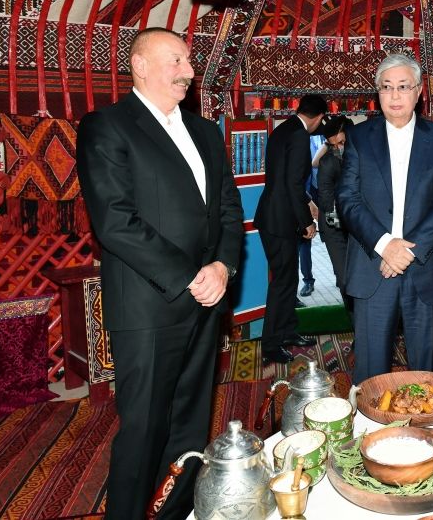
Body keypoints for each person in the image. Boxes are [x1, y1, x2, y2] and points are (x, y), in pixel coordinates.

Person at [76, 28, 244, 519]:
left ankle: (175, 512)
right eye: (176, 61)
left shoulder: (206, 132)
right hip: (150, 305)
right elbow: (114, 221)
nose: (188, 72)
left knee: (192, 423)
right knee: (145, 428)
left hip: (207, 299)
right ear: (140, 65)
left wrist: (222, 265)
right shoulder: (107, 126)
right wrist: (192, 274)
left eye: (189, 62)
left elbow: (229, 211)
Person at [337, 54, 433, 384]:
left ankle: (428, 434)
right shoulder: (359, 138)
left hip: (427, 268)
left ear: (419, 92)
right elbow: (348, 199)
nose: (395, 96)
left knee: (427, 376)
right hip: (373, 268)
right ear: (377, 92)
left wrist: (405, 251)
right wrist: (384, 245)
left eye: (403, 87)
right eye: (387, 87)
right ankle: (372, 432)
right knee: (370, 376)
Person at [256, 94, 327, 364]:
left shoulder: (283, 128)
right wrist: (307, 223)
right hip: (281, 219)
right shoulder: (299, 135)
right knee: (282, 284)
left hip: (273, 215)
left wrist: (307, 202)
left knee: (289, 280)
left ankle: (287, 331)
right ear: (319, 117)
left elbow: (283, 178)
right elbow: (294, 184)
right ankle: (272, 345)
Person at [316, 115, 354, 310]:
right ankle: (359, 333)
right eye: (333, 145)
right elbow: (325, 196)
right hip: (335, 229)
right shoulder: (328, 162)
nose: (339, 148)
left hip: (359, 228)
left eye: (342, 142)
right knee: (345, 280)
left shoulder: (364, 157)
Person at [298, 131, 325, 300]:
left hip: (324, 192)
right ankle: (308, 280)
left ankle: (340, 275)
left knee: (331, 235)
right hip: (306, 193)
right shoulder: (300, 138)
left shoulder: (328, 136)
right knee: (304, 239)